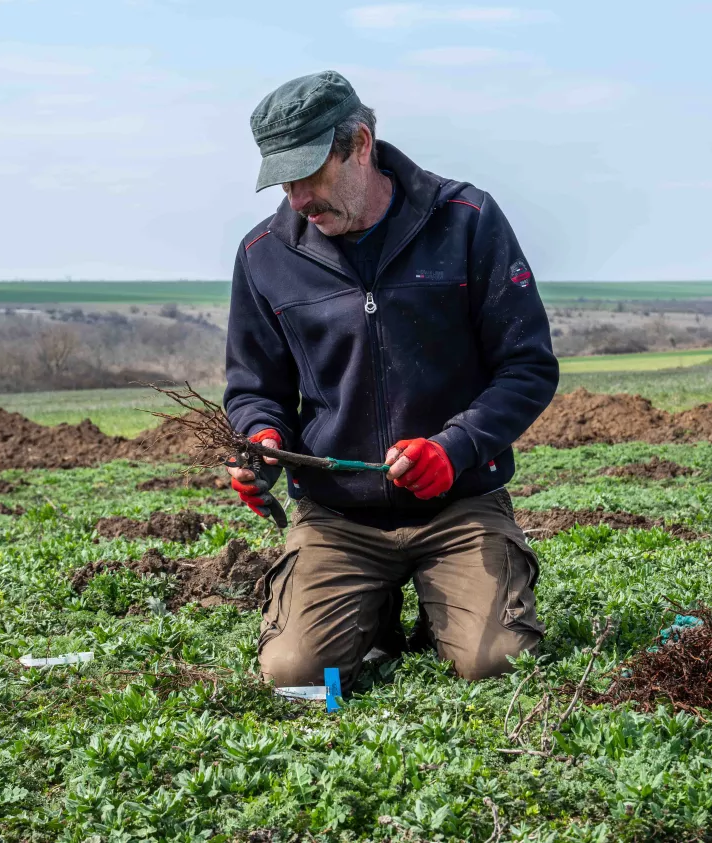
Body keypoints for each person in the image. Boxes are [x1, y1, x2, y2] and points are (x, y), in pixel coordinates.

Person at [224, 70, 558, 686]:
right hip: (337, 516)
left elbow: (528, 366)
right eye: (284, 181)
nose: (297, 199)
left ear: (360, 144)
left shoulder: (466, 219)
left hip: (458, 504)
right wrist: (262, 442)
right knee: (295, 675)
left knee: (494, 665)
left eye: (309, 175)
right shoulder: (264, 254)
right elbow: (254, 389)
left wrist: (453, 450)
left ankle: (446, 609)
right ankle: (368, 608)